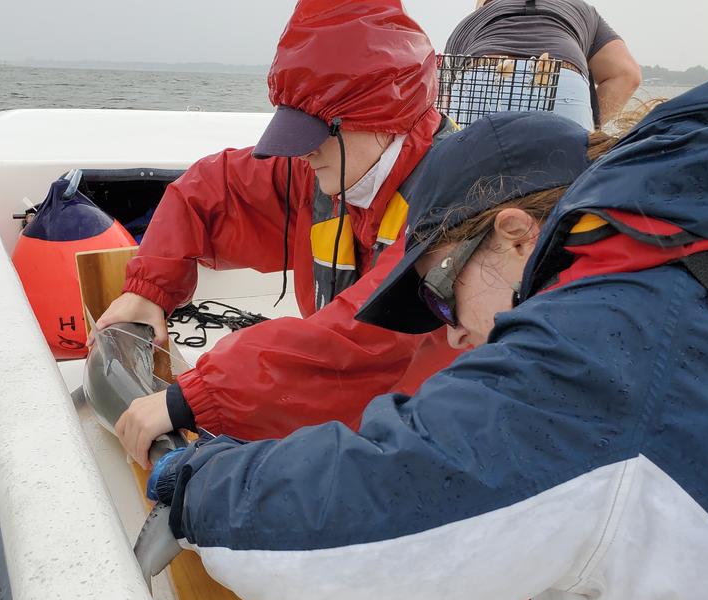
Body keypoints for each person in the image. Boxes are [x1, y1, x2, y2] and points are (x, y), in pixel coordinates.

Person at [143, 57, 708, 600]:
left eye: (439, 289)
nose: (450, 328)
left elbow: (349, 524)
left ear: (514, 234)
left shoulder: (604, 347)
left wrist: (201, 481)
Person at [92, 0, 457, 469]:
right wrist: (150, 289)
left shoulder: (453, 203)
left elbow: (365, 339)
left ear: (383, 116)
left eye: (315, 133)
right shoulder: (331, 170)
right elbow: (211, 191)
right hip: (339, 424)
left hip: (426, 438)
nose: (302, 153)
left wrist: (196, 397)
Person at [443, 0, 641, 129]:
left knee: (470, 187)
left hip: (482, 80)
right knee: (570, 189)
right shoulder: (581, 10)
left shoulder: (470, 22)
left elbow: (446, 100)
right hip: (561, 80)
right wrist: (591, 126)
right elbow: (627, 75)